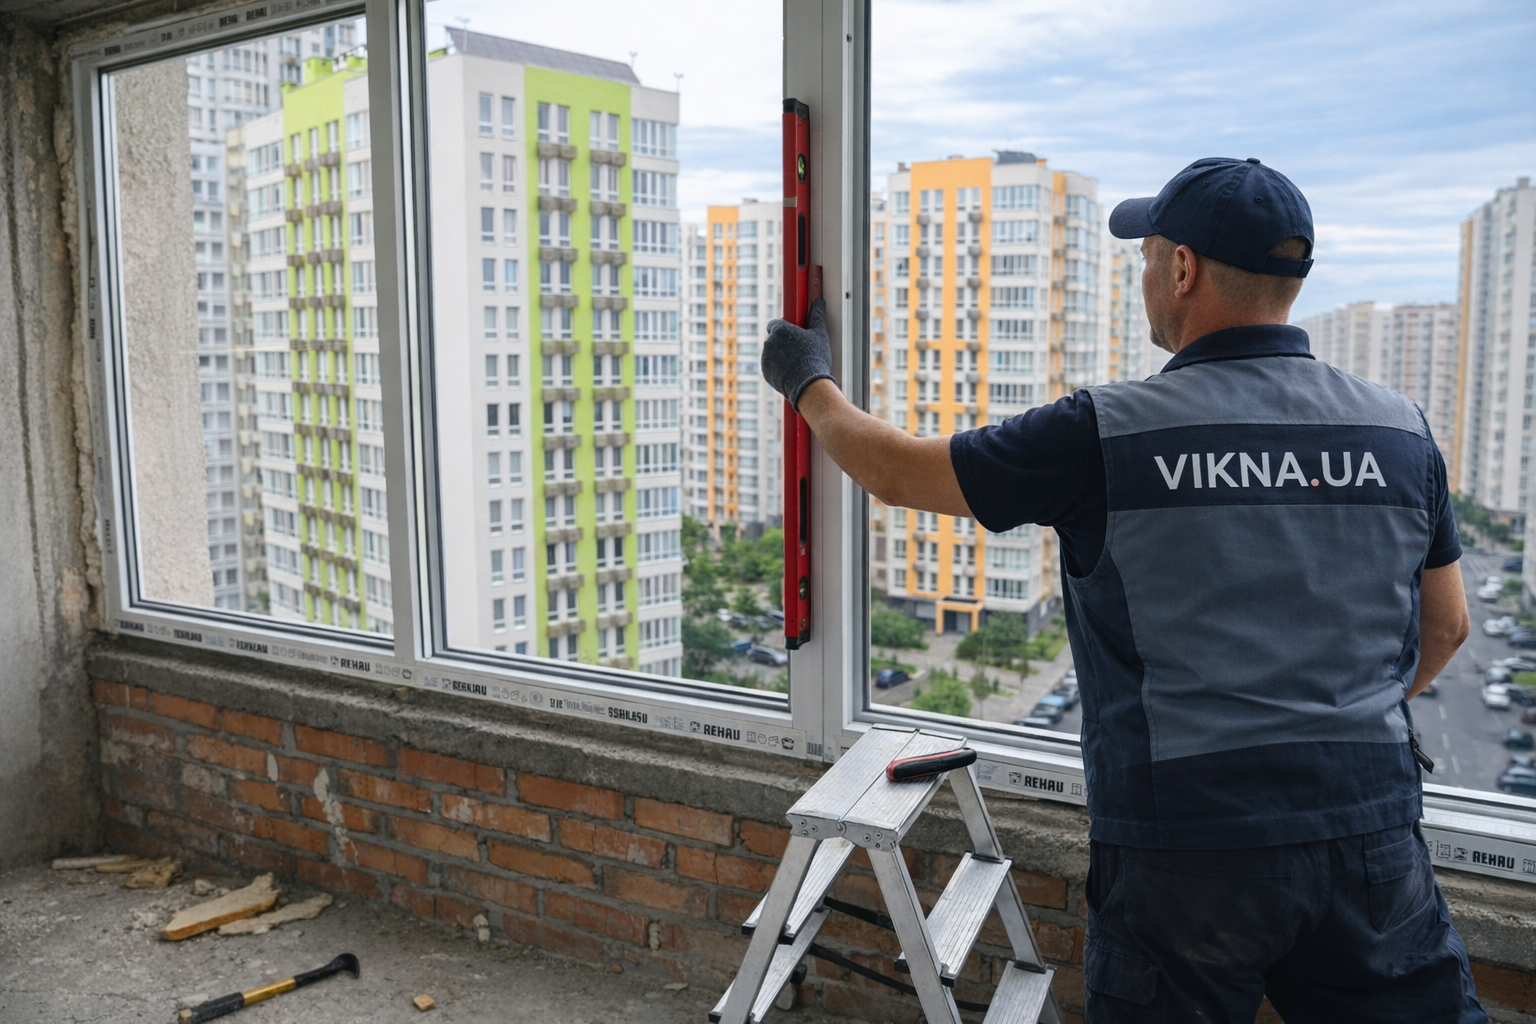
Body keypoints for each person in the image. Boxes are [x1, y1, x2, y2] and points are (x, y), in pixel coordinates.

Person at [761, 157, 1485, 1023]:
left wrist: (809, 383)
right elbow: (1446, 628)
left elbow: (898, 473)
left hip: (1189, 848)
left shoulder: (1107, 432)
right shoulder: (1400, 431)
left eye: (1146, 255)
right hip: (1369, 832)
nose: (1143, 274)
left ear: (1183, 268)